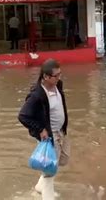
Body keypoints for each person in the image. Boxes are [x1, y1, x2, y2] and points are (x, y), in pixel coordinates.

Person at [18, 59, 70, 200]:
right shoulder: (37, 95)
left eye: (60, 74)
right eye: (56, 75)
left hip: (61, 131)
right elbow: (23, 116)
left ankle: (39, 187)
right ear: (46, 77)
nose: (59, 78)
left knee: (61, 161)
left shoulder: (58, 85)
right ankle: (47, 195)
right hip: (50, 136)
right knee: (50, 171)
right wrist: (40, 129)